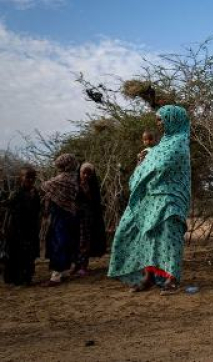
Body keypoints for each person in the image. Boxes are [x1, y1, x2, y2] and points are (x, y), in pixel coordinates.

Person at [108, 105, 191, 295]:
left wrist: (149, 158)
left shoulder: (179, 142)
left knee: (169, 235)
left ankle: (172, 277)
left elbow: (161, 164)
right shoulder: (162, 144)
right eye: (158, 119)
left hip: (170, 196)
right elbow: (151, 162)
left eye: (161, 119)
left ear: (173, 119)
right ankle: (149, 276)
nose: (158, 123)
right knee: (147, 234)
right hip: (151, 195)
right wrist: (144, 160)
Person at [41, 154, 80, 287]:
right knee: (64, 242)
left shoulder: (62, 179)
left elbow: (46, 185)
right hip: (69, 215)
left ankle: (56, 275)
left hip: (60, 215)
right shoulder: (74, 178)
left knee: (58, 242)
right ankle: (62, 272)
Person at [1, 167, 41, 286]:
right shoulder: (16, 193)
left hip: (31, 228)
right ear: (21, 178)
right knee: (16, 254)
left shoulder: (35, 193)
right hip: (17, 229)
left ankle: (27, 277)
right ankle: (16, 278)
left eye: (32, 177)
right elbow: (8, 207)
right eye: (27, 177)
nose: (30, 179)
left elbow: (37, 210)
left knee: (29, 254)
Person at [72, 162, 106, 277]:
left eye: (89, 174)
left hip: (87, 218)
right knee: (75, 241)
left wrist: (87, 192)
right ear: (79, 172)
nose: (86, 176)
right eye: (83, 173)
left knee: (85, 242)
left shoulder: (92, 186)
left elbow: (95, 202)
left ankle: (83, 266)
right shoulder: (73, 184)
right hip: (75, 217)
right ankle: (76, 265)